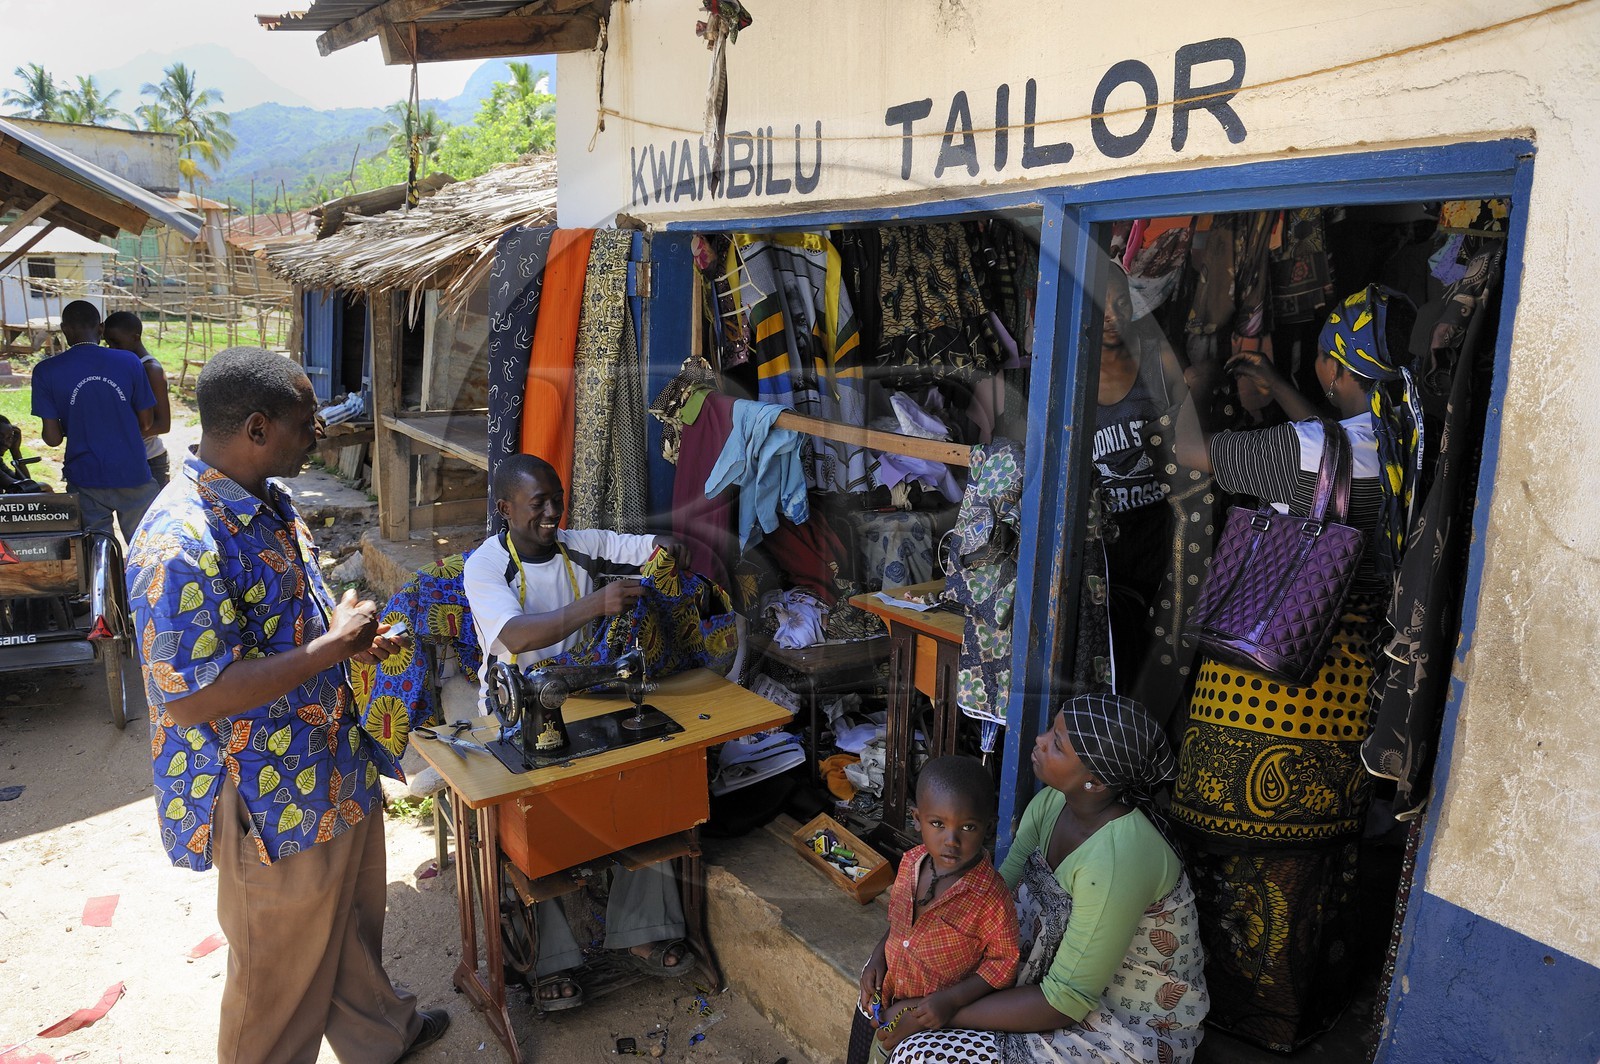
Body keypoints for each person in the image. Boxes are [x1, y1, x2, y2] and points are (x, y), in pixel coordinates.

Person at [126, 346, 450, 1064]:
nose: (321, 436)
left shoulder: (268, 502)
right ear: (258, 427)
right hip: (269, 801)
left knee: (346, 928)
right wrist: (332, 648)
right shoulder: (178, 541)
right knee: (274, 976)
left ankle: (380, 1037)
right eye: (309, 425)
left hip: (330, 766)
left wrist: (347, 637)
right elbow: (192, 697)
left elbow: (289, 624)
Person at [1168, 284, 1421, 1050]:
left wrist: (1192, 386)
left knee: (1230, 854)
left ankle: (1223, 1013)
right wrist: (1282, 387)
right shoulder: (1410, 443)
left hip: (1264, 691)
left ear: (1331, 365)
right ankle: (1293, 1017)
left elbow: (1191, 454)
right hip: (1343, 703)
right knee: (1310, 871)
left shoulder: (1303, 451)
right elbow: (1341, 439)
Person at [461, 452, 700, 1011]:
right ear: (505, 508)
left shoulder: (579, 542)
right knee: (529, 819)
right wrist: (593, 604)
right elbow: (514, 636)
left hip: (584, 696)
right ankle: (551, 958)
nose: (551, 512)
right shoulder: (486, 565)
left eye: (556, 498)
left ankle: (640, 927)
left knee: (646, 779)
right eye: (538, 503)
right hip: (518, 708)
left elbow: (642, 548)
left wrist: (668, 552)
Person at [885, 695, 1209, 1064]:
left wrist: (934, 1012)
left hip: (1117, 1023)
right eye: (1051, 730)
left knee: (923, 1054)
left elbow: (1065, 1001)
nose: (1039, 741)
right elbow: (993, 893)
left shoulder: (1119, 858)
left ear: (1096, 781)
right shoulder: (1051, 803)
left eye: (1057, 743)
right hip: (1043, 975)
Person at [853, 756, 1019, 1064]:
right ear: (917, 819)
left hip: (935, 1017)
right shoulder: (910, 863)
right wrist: (877, 959)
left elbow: (1003, 965)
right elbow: (901, 925)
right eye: (937, 824)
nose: (951, 841)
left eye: (968, 827)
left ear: (988, 827)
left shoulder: (989, 897)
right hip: (888, 992)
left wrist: (951, 1001)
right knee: (864, 1048)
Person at [1092, 266, 1189, 692]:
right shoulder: (1070, 371)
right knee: (1114, 649)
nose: (1112, 314)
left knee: (1160, 649)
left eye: (1121, 302)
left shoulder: (1158, 358)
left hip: (1159, 529)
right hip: (1103, 540)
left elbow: (1194, 433)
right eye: (1102, 304)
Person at [30, 299, 158, 540]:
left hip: (85, 477)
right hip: (131, 472)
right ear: (100, 329)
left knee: (96, 551)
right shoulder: (129, 361)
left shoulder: (46, 371)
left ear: (64, 329)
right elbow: (147, 423)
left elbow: (53, 439)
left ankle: (104, 575)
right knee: (147, 548)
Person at [104, 311, 172, 486]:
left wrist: (113, 434)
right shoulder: (121, 365)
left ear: (135, 337)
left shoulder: (151, 370)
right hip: (124, 457)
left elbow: (163, 425)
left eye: (116, 342)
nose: (112, 348)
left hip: (149, 460)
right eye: (108, 343)